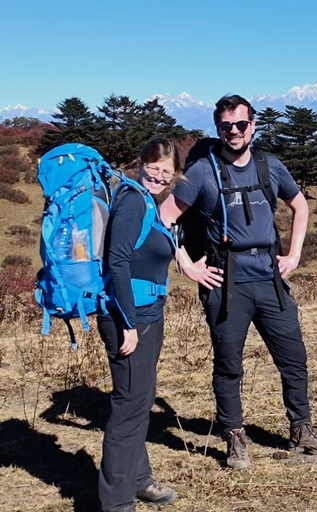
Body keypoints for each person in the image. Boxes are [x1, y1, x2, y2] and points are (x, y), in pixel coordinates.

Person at [159, 94, 317, 470]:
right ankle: (234, 437)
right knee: (229, 365)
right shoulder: (202, 173)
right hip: (226, 284)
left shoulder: (270, 166)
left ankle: (301, 430)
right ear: (218, 129)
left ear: (253, 126)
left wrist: (295, 254)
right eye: (226, 126)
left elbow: (300, 205)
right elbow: (164, 217)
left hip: (270, 280)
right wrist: (188, 267)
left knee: (294, 359)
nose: (234, 132)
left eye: (241, 125)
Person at [97, 139, 180, 512]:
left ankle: (140, 479)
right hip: (130, 320)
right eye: (154, 167)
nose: (159, 176)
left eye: (167, 170)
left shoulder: (147, 200)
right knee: (128, 409)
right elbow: (117, 264)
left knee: (140, 400)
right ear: (140, 162)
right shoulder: (132, 200)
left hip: (146, 315)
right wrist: (128, 323)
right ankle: (116, 503)